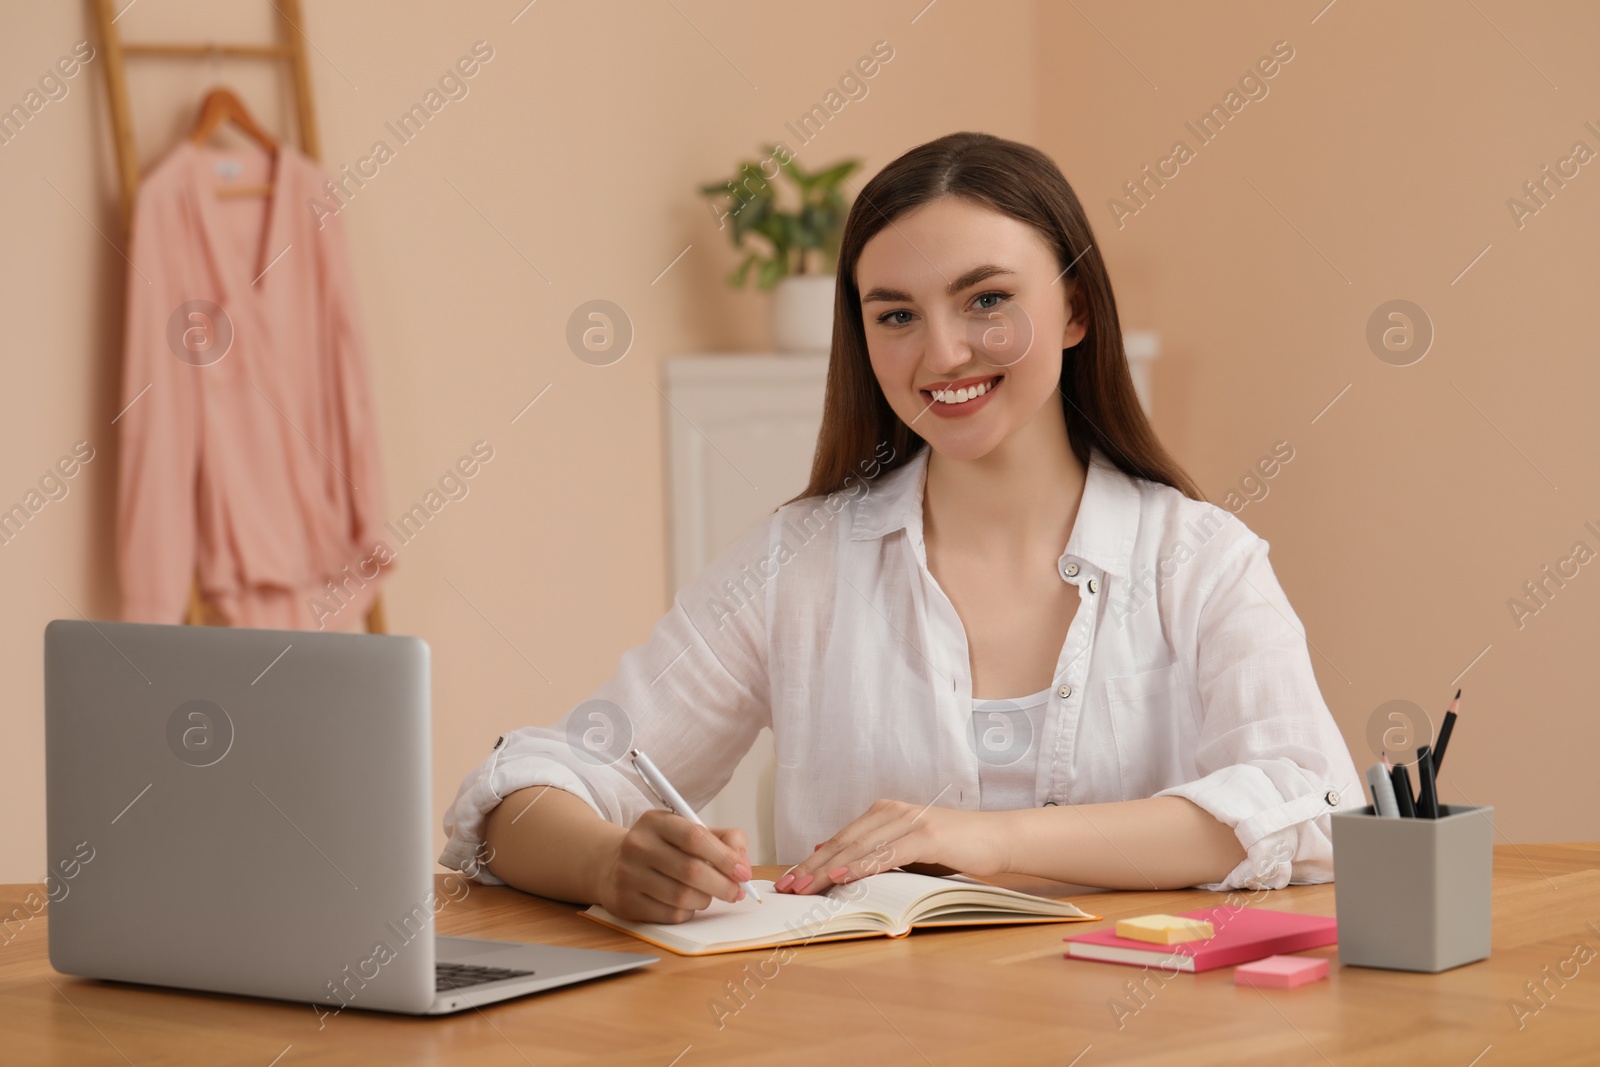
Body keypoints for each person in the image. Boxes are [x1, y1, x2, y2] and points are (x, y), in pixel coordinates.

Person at [440, 131, 1361, 924]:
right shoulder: (797, 563)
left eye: (988, 299)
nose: (943, 352)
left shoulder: (1201, 559)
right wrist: (609, 861)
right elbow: (528, 787)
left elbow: (1310, 805)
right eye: (896, 316)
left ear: (1075, 308)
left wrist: (986, 842)